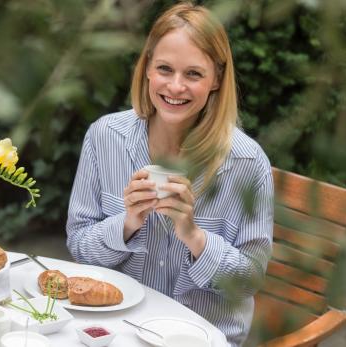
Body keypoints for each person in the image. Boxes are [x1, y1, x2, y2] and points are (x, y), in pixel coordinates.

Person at [66, 2, 273, 346]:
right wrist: (128, 222)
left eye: (193, 74)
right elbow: (79, 247)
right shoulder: (105, 137)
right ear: (147, 68)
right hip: (119, 331)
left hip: (202, 338)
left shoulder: (247, 164)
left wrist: (193, 235)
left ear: (217, 79)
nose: (176, 87)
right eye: (165, 68)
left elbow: (249, 281)